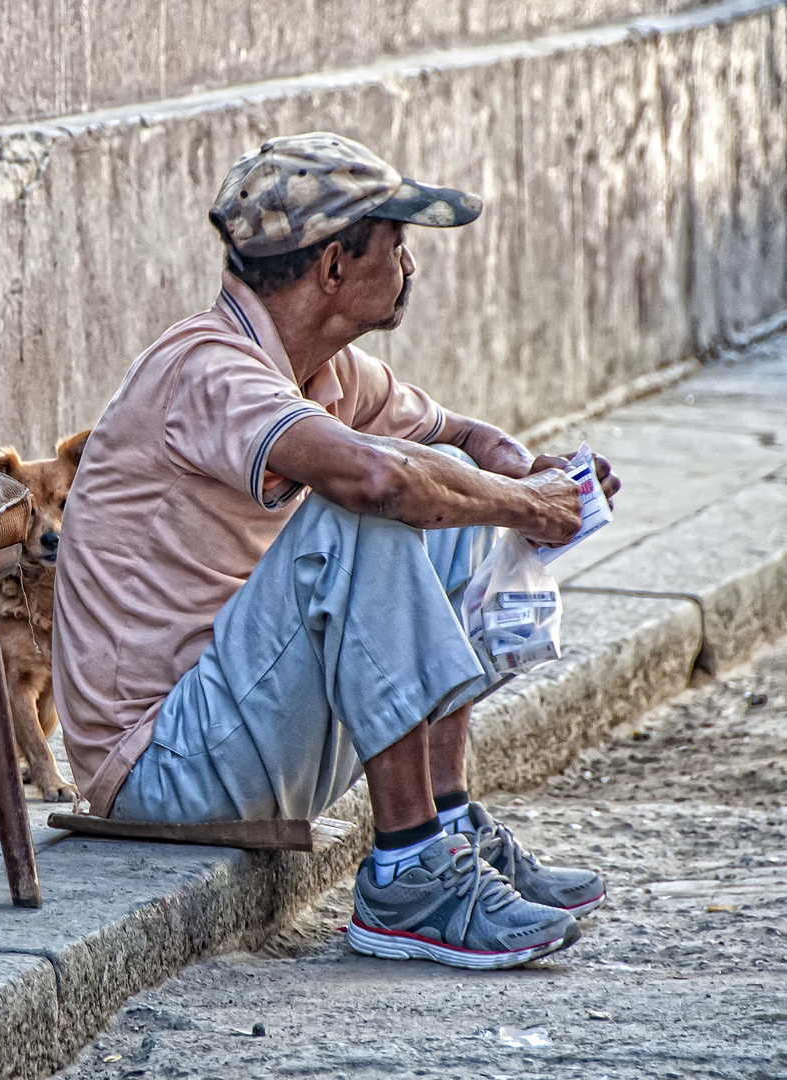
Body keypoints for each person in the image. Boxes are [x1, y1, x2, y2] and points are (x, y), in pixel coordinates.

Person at [51, 132, 622, 970]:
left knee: (447, 476)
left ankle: (449, 824)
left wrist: (529, 472)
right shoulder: (209, 370)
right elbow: (373, 482)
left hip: (238, 729)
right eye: (397, 245)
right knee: (365, 510)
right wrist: (525, 505)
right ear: (331, 268)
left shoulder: (328, 370)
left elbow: (457, 437)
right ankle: (409, 875)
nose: (410, 265)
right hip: (159, 766)